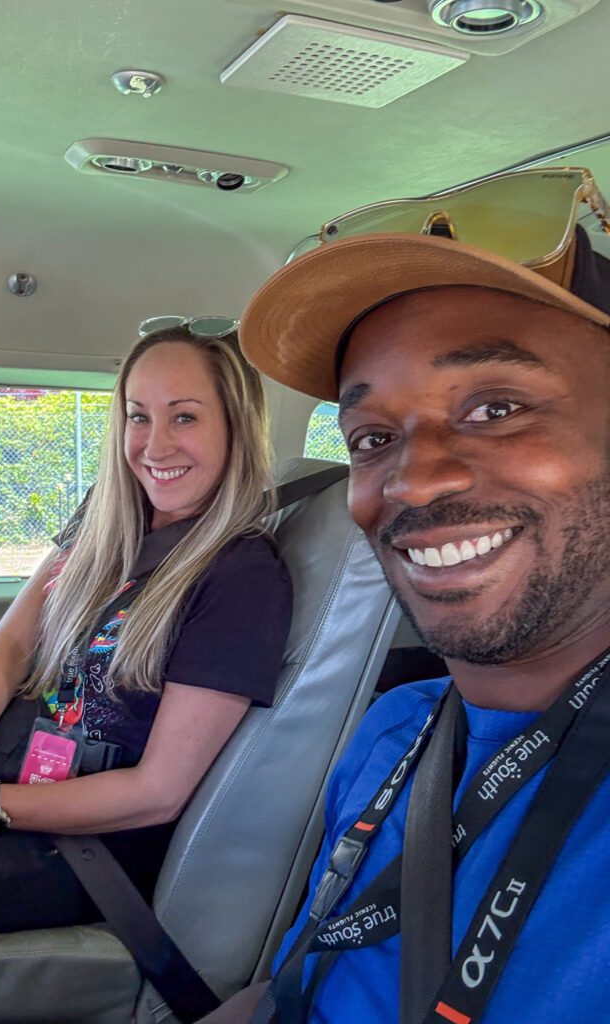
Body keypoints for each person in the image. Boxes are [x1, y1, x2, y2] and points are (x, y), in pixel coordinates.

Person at [223, 176, 610, 1024]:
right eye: (372, 438)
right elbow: (300, 993)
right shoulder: (394, 734)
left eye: (496, 407)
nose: (411, 478)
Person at [0, 323, 292, 935]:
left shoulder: (242, 575)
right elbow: (9, 648)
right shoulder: (105, 518)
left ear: (235, 426)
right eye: (138, 417)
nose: (155, 446)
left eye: (184, 417)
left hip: (83, 849)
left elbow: (157, 792)